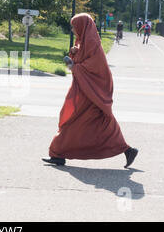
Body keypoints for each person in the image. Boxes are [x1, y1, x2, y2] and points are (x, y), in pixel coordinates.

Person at [42, 13, 138, 168]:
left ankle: (57, 153)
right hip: (85, 89)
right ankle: (127, 150)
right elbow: (80, 63)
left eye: (74, 27)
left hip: (93, 93)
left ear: (83, 27)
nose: (73, 30)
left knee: (81, 122)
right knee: (89, 123)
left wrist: (74, 66)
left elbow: (92, 68)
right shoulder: (82, 43)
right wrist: (73, 54)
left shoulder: (93, 46)